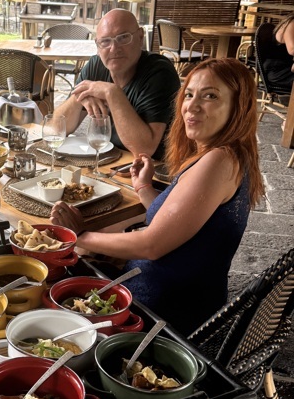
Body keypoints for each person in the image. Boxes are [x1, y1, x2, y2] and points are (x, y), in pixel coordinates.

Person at [51, 58, 264, 336]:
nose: (192, 105)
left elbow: (152, 245)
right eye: (189, 94)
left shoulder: (219, 160)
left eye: (210, 96)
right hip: (176, 294)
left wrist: (79, 235)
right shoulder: (226, 153)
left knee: (53, 275)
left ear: (239, 106)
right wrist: (143, 187)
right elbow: (179, 224)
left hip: (160, 314)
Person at [54, 9, 181, 158]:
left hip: (153, 172)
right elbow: (55, 131)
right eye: (105, 41)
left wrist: (112, 93)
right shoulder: (96, 66)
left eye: (123, 38)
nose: (114, 48)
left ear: (140, 37)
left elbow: (144, 150)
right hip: (111, 161)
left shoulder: (159, 73)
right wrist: (79, 97)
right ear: (98, 46)